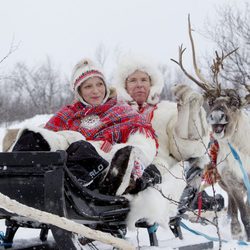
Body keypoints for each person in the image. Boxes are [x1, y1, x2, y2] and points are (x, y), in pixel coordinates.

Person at [10, 58, 162, 230]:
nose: (96, 91)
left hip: (103, 166)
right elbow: (51, 133)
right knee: (33, 137)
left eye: (99, 84)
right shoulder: (68, 114)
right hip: (65, 161)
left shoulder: (122, 111)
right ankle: (15, 179)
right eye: (88, 86)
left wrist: (131, 156)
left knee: (82, 148)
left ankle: (63, 189)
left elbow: (144, 141)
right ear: (79, 91)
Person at [112, 55, 224, 228]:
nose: (139, 84)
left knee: (152, 171)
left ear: (152, 84)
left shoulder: (167, 111)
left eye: (144, 79)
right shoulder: (115, 114)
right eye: (133, 80)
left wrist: (188, 113)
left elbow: (186, 150)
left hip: (160, 169)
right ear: (124, 85)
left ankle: (136, 186)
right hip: (121, 165)